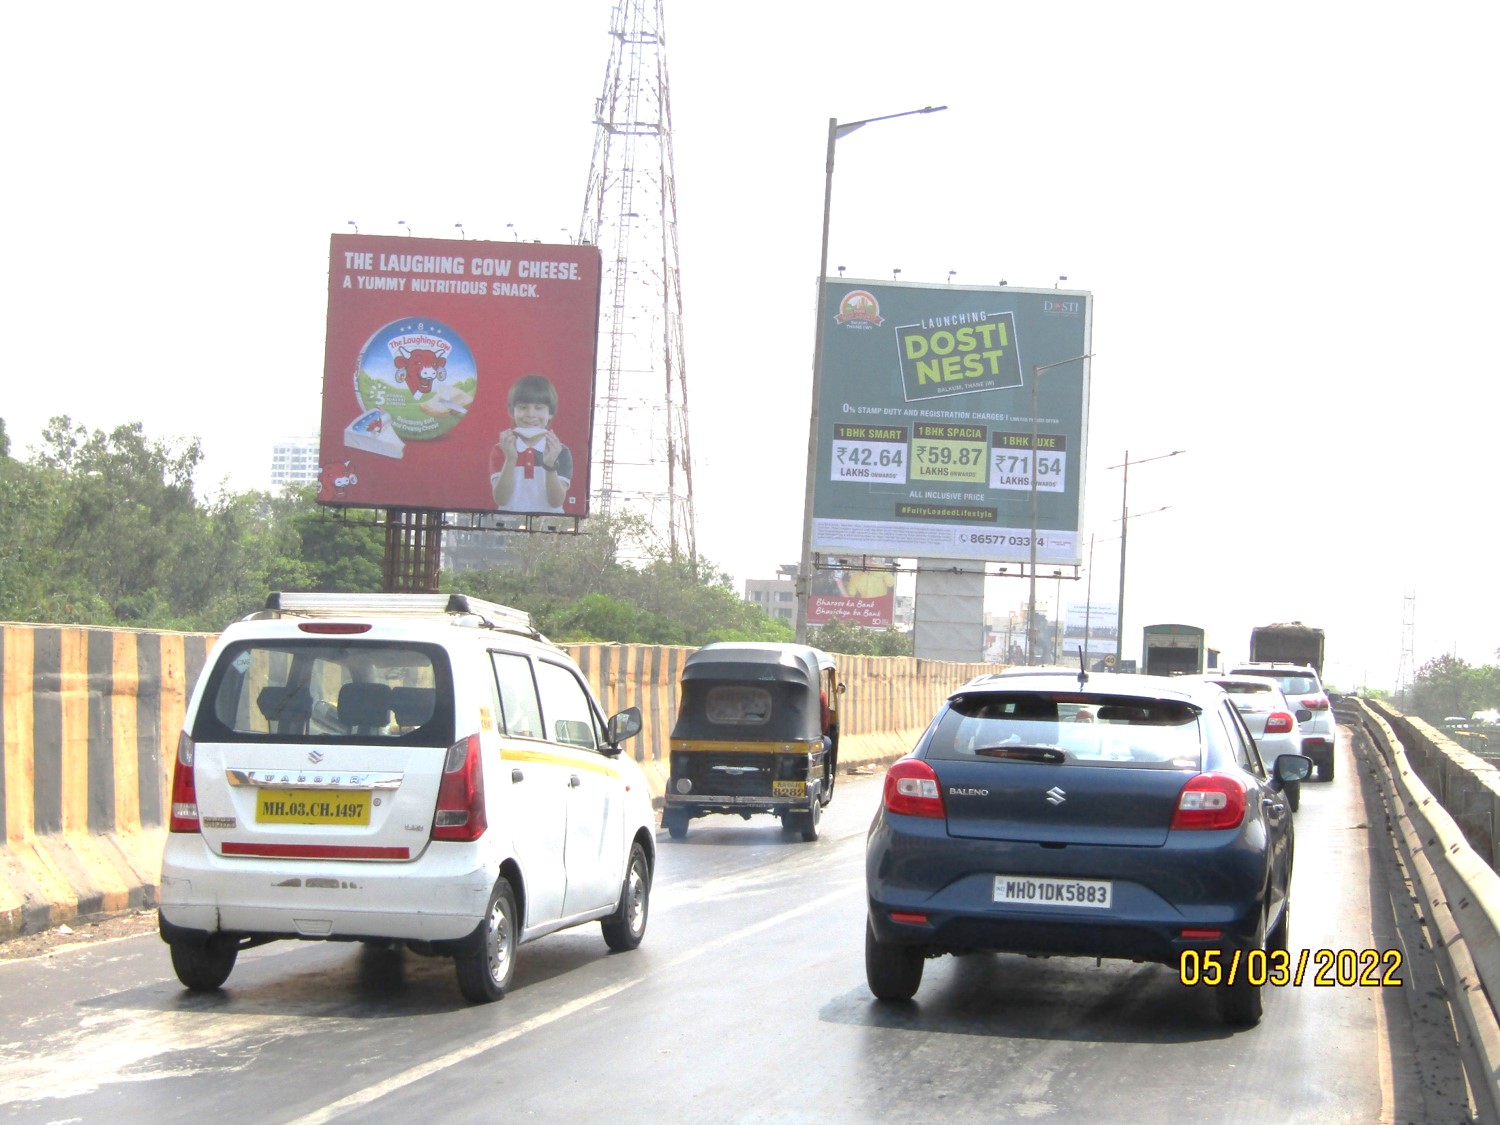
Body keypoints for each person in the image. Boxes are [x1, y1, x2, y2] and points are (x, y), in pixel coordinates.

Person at [490, 374, 572, 513]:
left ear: (550, 413)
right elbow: (501, 499)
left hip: (550, 526)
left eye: (539, 408)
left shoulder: (560, 451)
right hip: (507, 524)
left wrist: (550, 464)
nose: (530, 414)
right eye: (523, 407)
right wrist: (510, 459)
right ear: (512, 411)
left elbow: (556, 501)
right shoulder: (501, 449)